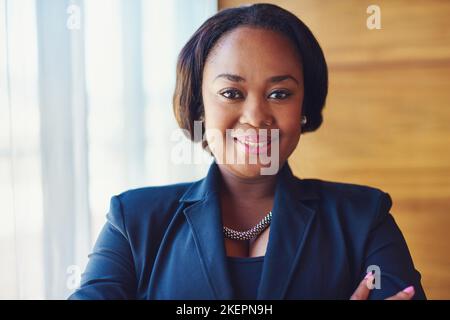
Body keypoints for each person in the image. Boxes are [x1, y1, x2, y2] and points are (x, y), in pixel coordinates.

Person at [68, 3, 426, 300]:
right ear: (199, 106)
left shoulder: (364, 218)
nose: (256, 117)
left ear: (304, 107)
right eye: (231, 93)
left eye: (280, 94)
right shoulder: (134, 221)